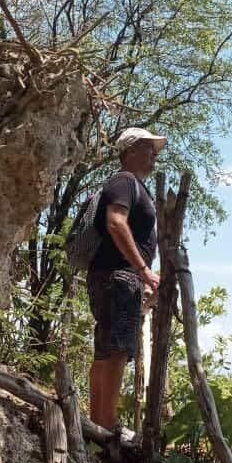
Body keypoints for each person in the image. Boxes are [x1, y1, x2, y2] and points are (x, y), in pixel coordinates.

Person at [87, 126, 166, 429]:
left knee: (108, 347)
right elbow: (116, 222)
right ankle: (106, 426)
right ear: (130, 151)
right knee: (118, 349)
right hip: (120, 278)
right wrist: (144, 271)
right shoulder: (124, 181)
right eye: (148, 149)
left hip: (115, 277)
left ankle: (98, 422)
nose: (154, 155)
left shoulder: (132, 184)